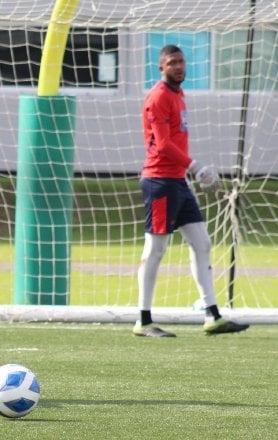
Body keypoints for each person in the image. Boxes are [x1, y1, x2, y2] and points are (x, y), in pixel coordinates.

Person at [135, 45, 248, 337]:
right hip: (160, 182)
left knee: (202, 243)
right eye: (172, 62)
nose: (179, 66)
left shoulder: (178, 94)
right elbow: (162, 144)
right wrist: (195, 166)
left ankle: (212, 315)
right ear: (161, 68)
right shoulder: (158, 97)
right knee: (156, 249)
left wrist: (188, 170)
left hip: (177, 182)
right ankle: (143, 320)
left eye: (182, 61)